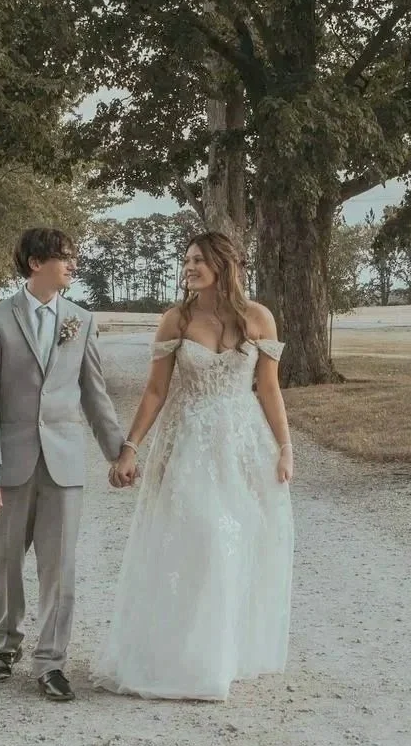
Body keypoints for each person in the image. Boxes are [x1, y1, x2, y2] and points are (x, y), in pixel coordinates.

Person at [95, 231, 296, 701]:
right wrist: (131, 446)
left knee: (237, 543)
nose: (189, 267)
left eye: (199, 260)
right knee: (204, 538)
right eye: (186, 260)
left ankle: (219, 658)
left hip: (242, 446)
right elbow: (155, 391)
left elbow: (269, 390)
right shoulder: (177, 320)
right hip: (187, 444)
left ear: (224, 264)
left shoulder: (259, 318)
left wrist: (285, 447)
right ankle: (185, 658)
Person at [0, 227, 126, 702]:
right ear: (36, 263)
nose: (73, 265)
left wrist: (119, 451)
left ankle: (51, 662)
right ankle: (5, 646)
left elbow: (94, 394)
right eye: (64, 257)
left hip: (64, 464)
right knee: (7, 559)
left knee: (60, 566)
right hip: (10, 464)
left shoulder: (81, 320)